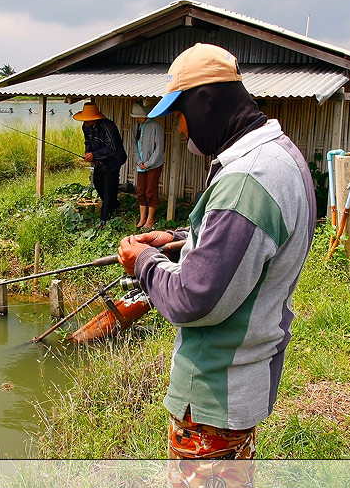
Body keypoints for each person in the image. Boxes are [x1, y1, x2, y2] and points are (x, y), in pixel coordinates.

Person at [117, 44, 316, 486]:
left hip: (213, 391)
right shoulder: (281, 157)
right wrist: (175, 240)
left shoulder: (247, 180)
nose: (183, 129)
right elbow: (253, 242)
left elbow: (195, 298)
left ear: (205, 101)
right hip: (242, 383)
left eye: (181, 114)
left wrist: (143, 261)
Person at [73, 101, 127, 227]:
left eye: (87, 119)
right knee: (97, 183)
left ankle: (105, 217)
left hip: (114, 160)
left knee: (109, 187)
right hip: (99, 161)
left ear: (94, 118)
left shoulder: (108, 127)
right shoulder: (85, 127)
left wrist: (95, 155)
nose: (85, 122)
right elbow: (88, 142)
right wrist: (88, 153)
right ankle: (113, 204)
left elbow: (112, 149)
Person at [130, 102, 165, 229]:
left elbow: (159, 148)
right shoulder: (137, 126)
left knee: (151, 191)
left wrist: (148, 163)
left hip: (153, 165)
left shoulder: (156, 126)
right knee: (140, 191)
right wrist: (139, 161)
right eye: (136, 117)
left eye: (139, 117)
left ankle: (150, 220)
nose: (137, 119)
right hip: (141, 164)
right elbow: (134, 143)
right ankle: (142, 218)